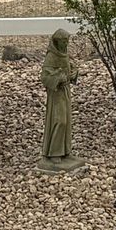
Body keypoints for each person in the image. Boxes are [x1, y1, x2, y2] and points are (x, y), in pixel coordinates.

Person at [40, 28, 79, 163]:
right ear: (57, 42)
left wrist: (73, 73)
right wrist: (58, 77)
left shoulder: (64, 53)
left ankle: (65, 151)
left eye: (67, 41)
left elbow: (70, 68)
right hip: (56, 93)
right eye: (64, 41)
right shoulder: (51, 56)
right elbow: (45, 77)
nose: (66, 44)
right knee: (59, 120)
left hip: (65, 91)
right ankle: (53, 152)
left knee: (67, 121)